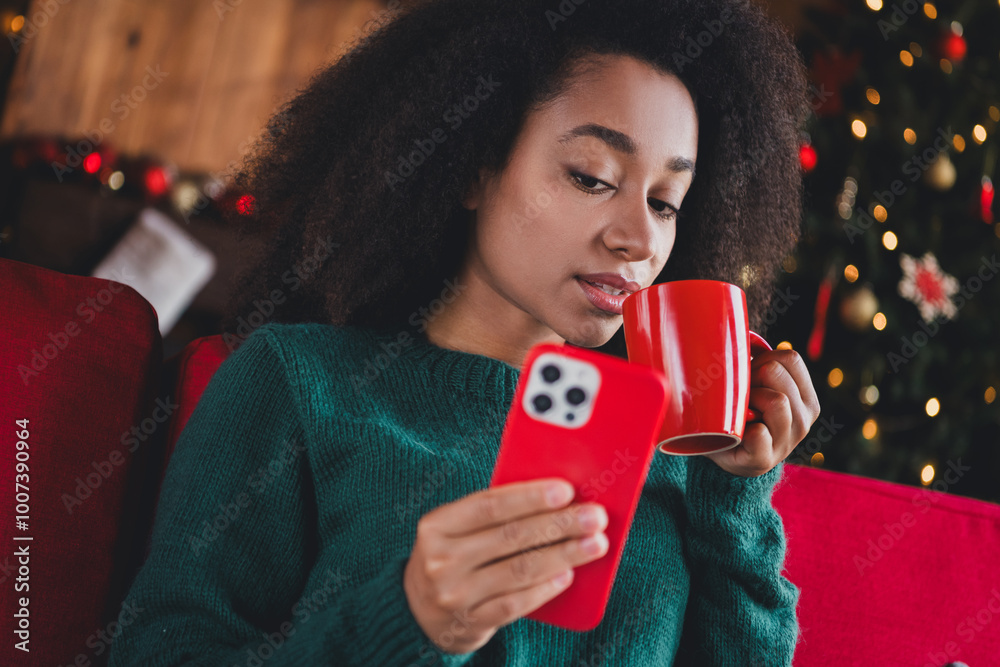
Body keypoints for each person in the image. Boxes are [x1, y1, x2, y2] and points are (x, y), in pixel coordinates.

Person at [108, 0, 820, 664]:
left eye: (666, 201)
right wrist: (407, 620)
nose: (639, 238)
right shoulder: (300, 383)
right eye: (592, 176)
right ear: (473, 165)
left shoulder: (676, 452)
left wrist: (736, 492)